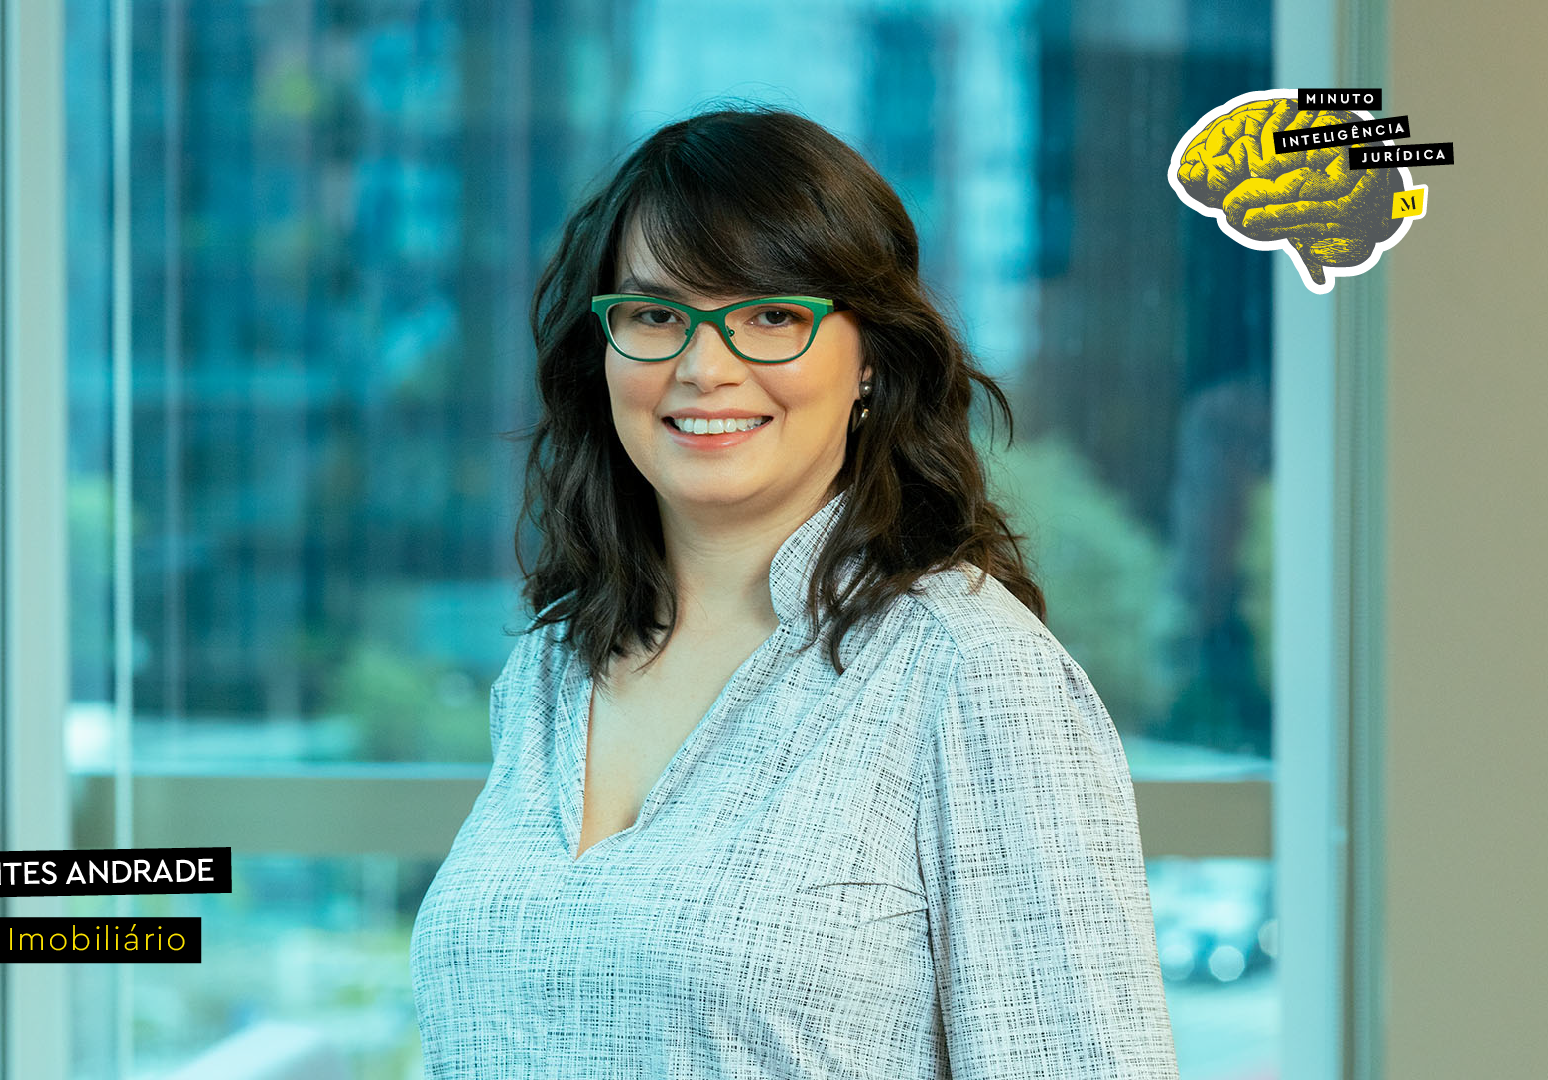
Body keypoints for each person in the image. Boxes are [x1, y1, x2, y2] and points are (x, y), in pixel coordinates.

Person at [409, 106, 1178, 1078]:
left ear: (871, 360)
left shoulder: (972, 672)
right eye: (655, 315)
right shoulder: (551, 667)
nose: (704, 368)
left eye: (772, 316)